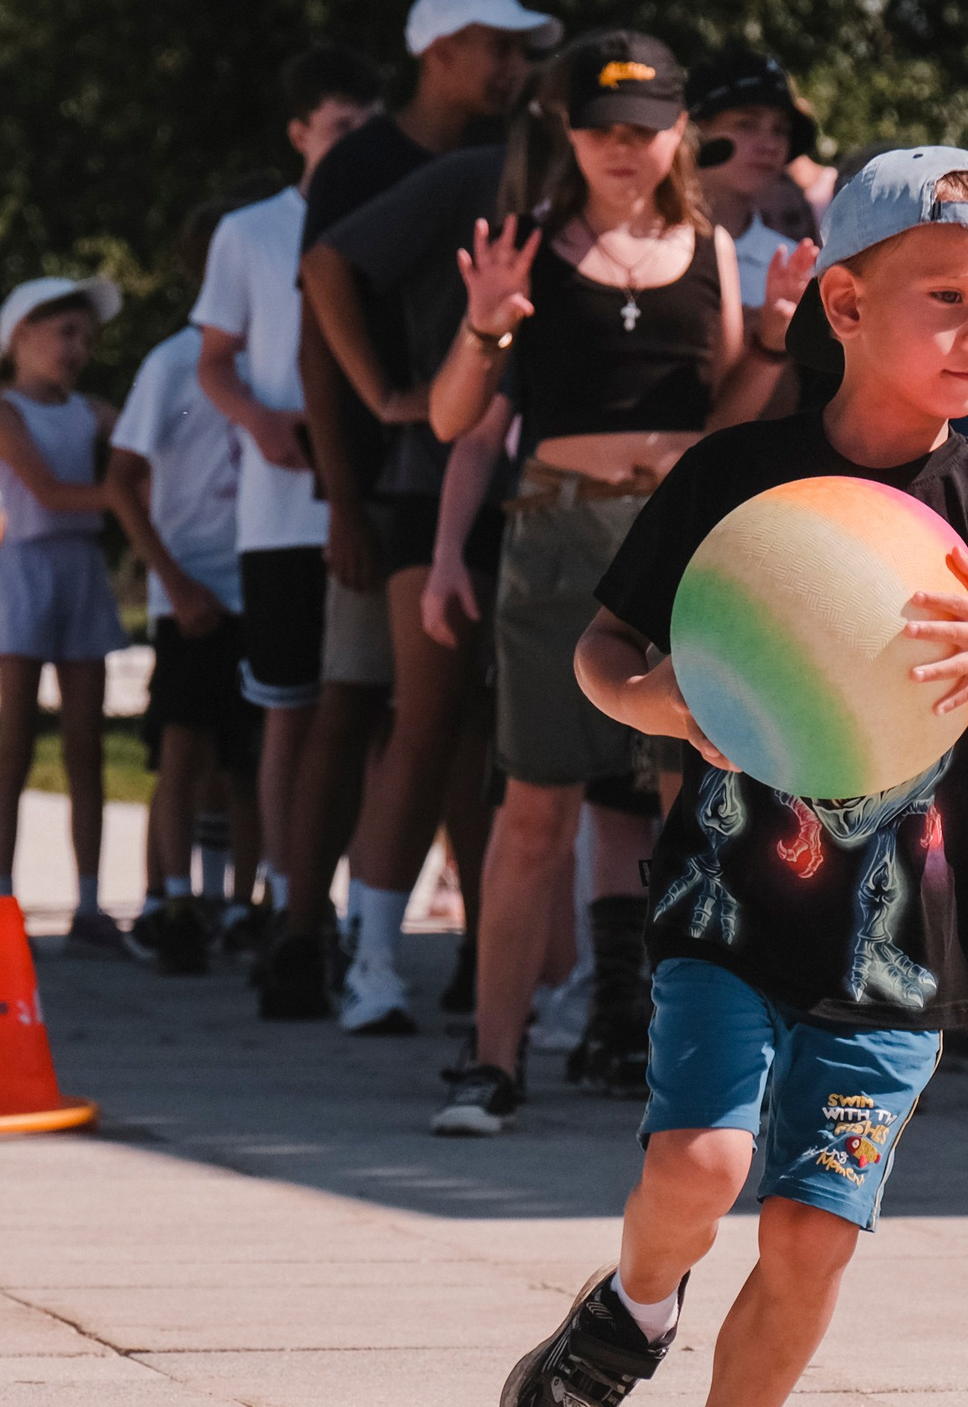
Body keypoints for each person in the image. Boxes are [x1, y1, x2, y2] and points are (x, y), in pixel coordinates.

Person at [508, 148, 968, 1407]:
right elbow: (605, 654)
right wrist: (662, 705)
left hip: (899, 948)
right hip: (731, 907)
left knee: (813, 1233)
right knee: (702, 1164)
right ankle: (634, 1306)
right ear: (842, 301)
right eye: (946, 299)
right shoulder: (742, 477)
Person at [425, 31, 807, 1131]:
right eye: (599, 128)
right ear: (567, 133)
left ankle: (694, 1065)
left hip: (684, 543)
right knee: (534, 809)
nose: (622, 149)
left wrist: (777, 341)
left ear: (682, 133)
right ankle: (491, 1061)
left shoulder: (709, 251)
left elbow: (728, 416)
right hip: (554, 538)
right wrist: (484, 330)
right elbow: (456, 420)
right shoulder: (527, 249)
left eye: (643, 130)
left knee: (693, 805)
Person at [270, 0, 553, 1025]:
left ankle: (489, 953)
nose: (518, 68)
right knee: (381, 712)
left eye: (530, 55)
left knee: (487, 730)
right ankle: (323, 944)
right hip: (401, 478)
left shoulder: (518, 166)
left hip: (511, 488)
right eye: (502, 47)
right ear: (440, 47)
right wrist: (352, 469)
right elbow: (321, 299)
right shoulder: (381, 166)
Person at [192, 47, 382, 960]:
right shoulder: (251, 231)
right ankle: (278, 892)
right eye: (340, 129)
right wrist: (259, 421)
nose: (354, 145)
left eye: (366, 127)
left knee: (371, 711)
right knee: (290, 705)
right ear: (301, 132)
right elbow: (213, 356)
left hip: (373, 498)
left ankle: (353, 899)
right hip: (281, 509)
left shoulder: (391, 213)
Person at [109, 202, 256, 977]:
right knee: (181, 748)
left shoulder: (281, 353)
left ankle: (241, 901)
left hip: (259, 582)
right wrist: (172, 579)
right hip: (191, 589)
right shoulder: (172, 366)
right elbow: (121, 479)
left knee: (254, 758)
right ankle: (170, 900)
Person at [0, 275, 126, 952]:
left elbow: (148, 446)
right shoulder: (2, 412)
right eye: (64, 332)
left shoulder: (93, 411)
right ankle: (2, 896)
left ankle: (90, 899)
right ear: (21, 338)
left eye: (83, 335)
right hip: (31, 568)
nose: (76, 347)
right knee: (15, 741)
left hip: (81, 567)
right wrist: (126, 500)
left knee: (85, 743)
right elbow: (46, 489)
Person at [687, 51, 820, 314]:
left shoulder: (797, 270)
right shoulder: (644, 249)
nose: (770, 145)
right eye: (746, 124)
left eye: (780, 130)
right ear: (695, 131)